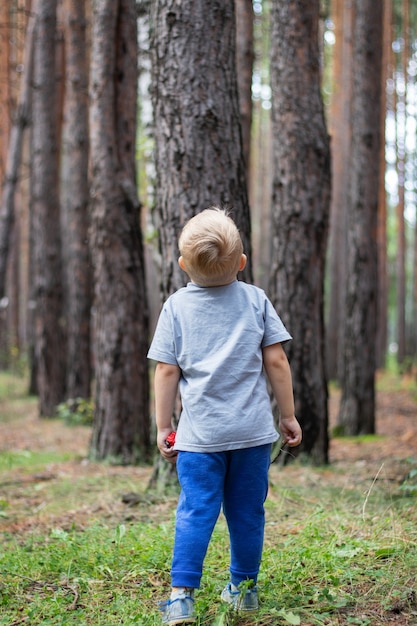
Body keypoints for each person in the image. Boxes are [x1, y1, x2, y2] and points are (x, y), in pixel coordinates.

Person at [147, 207, 302, 625]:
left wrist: (165, 426)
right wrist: (287, 416)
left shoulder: (176, 306)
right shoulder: (256, 300)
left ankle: (181, 598)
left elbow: (165, 370)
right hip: (253, 435)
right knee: (248, 512)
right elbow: (278, 362)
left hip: (199, 439)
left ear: (183, 266)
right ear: (242, 263)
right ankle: (243, 590)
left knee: (196, 509)